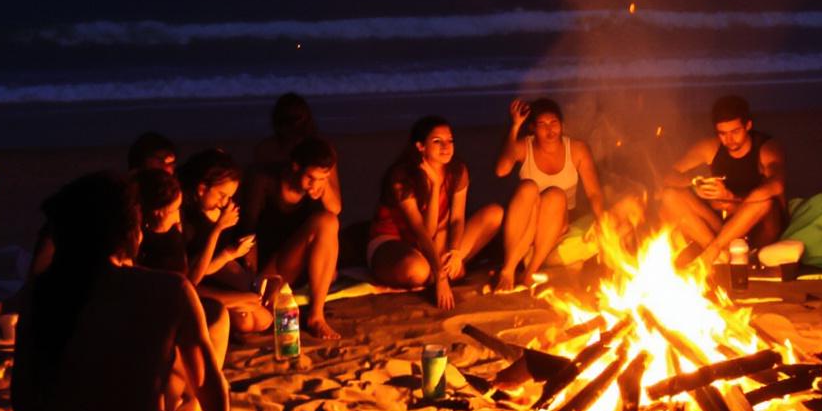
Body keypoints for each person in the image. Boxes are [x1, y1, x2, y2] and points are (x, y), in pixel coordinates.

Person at [13, 171, 307, 411]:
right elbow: (212, 393)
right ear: (132, 233)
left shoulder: (40, 296)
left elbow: (27, 410)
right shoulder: (168, 290)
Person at [368, 117, 502, 312]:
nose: (446, 147)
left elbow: (456, 219)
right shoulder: (402, 177)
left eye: (450, 141)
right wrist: (435, 187)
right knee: (417, 271)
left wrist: (455, 251)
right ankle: (441, 271)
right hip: (394, 242)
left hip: (436, 241)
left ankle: (447, 265)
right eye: (437, 141)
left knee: (494, 214)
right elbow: (423, 232)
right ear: (420, 146)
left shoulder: (457, 170)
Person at [492, 97, 607, 291]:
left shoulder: (577, 149)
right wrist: (515, 127)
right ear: (532, 128)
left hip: (557, 222)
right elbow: (501, 170)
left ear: (562, 125)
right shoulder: (523, 146)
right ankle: (509, 268)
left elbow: (594, 192)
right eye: (542, 124)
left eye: (554, 123)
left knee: (555, 195)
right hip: (525, 224)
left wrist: (602, 222)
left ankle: (530, 272)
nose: (549, 129)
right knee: (528, 187)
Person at [658, 96, 789, 266]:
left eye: (735, 132)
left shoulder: (766, 148)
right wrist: (695, 182)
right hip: (725, 230)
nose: (729, 139)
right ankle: (719, 254)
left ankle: (711, 253)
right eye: (723, 133)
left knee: (765, 201)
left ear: (748, 126)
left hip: (760, 226)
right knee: (670, 196)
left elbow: (777, 185)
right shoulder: (711, 148)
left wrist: (731, 197)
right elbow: (668, 176)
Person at [253, 138, 345, 337]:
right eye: (311, 177)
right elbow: (247, 232)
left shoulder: (318, 187)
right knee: (326, 221)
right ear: (295, 167)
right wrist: (250, 283)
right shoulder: (266, 182)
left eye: (322, 178)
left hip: (302, 266)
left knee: (329, 221)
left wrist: (322, 185)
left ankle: (316, 316)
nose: (316, 184)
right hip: (274, 267)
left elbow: (335, 209)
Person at [173, 150, 268, 335]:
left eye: (230, 196)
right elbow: (192, 277)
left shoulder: (225, 208)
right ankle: (235, 301)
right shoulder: (182, 215)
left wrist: (238, 251)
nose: (225, 202)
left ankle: (239, 299)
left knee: (263, 318)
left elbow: (223, 259)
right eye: (221, 195)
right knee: (246, 319)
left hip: (216, 271)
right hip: (191, 281)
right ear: (201, 189)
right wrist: (217, 230)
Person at [245, 94, 319, 219]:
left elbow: (335, 207)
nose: (294, 125)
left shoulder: (318, 150)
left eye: (298, 119)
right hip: (272, 211)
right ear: (279, 122)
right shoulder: (266, 148)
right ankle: (246, 236)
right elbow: (253, 187)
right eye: (289, 120)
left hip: (306, 213)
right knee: (259, 179)